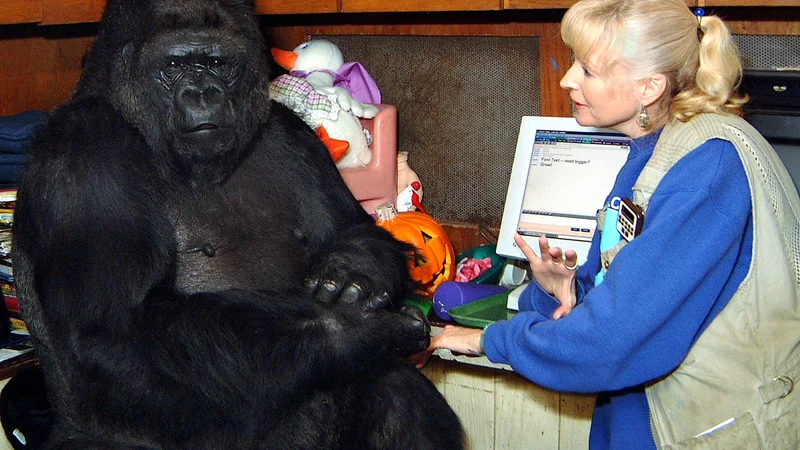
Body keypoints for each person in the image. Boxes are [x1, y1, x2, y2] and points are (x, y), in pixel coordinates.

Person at [425, 0, 800, 448]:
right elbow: (617, 295)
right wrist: (561, 292)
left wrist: (488, 340)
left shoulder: (707, 169)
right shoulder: (647, 158)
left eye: (588, 70)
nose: (566, 79)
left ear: (649, 87)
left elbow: (609, 344)